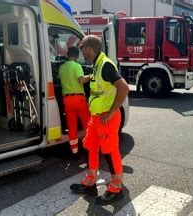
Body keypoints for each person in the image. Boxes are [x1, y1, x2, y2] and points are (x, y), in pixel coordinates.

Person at [69, 35, 129, 205]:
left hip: (106, 118)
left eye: (82, 49)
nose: (82, 53)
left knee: (110, 152)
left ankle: (116, 189)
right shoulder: (96, 65)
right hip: (96, 118)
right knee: (90, 147)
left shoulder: (105, 65)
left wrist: (111, 112)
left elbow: (123, 88)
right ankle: (90, 183)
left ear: (89, 48)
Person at [58, 46, 90, 158]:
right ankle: (89, 149)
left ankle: (75, 152)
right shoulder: (77, 66)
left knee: (72, 126)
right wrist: (91, 76)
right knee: (87, 124)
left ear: (68, 55)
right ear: (76, 56)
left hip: (66, 100)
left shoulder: (61, 68)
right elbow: (81, 79)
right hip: (78, 98)